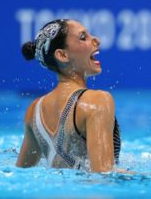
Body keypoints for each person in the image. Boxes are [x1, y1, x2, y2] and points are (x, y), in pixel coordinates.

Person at [16, 19, 121, 173]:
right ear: (63, 55)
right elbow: (103, 175)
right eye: (83, 37)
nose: (96, 40)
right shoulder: (97, 101)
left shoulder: (34, 110)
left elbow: (21, 173)